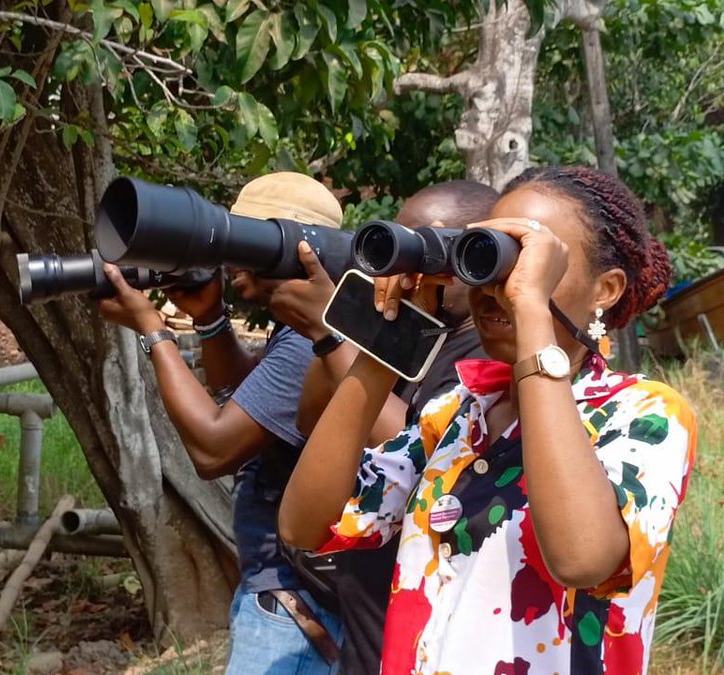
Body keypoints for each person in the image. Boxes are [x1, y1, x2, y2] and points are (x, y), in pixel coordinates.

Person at [279, 166, 696, 674]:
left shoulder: (644, 414)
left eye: (529, 262)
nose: (500, 286)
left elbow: (582, 559)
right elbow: (304, 525)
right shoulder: (457, 415)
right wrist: (387, 337)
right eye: (487, 256)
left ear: (605, 289)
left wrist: (532, 312)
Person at [97, 172, 345, 674]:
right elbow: (249, 390)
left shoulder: (309, 342)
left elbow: (214, 448)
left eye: (243, 241)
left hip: (293, 601)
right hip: (285, 588)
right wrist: (210, 319)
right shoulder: (307, 328)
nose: (228, 257)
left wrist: (151, 329)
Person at [268, 180, 498, 675]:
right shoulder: (414, 334)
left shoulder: (482, 360)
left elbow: (417, 445)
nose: (410, 267)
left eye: (433, 246)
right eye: (404, 241)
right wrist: (342, 332)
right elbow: (313, 420)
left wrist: (342, 340)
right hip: (371, 632)